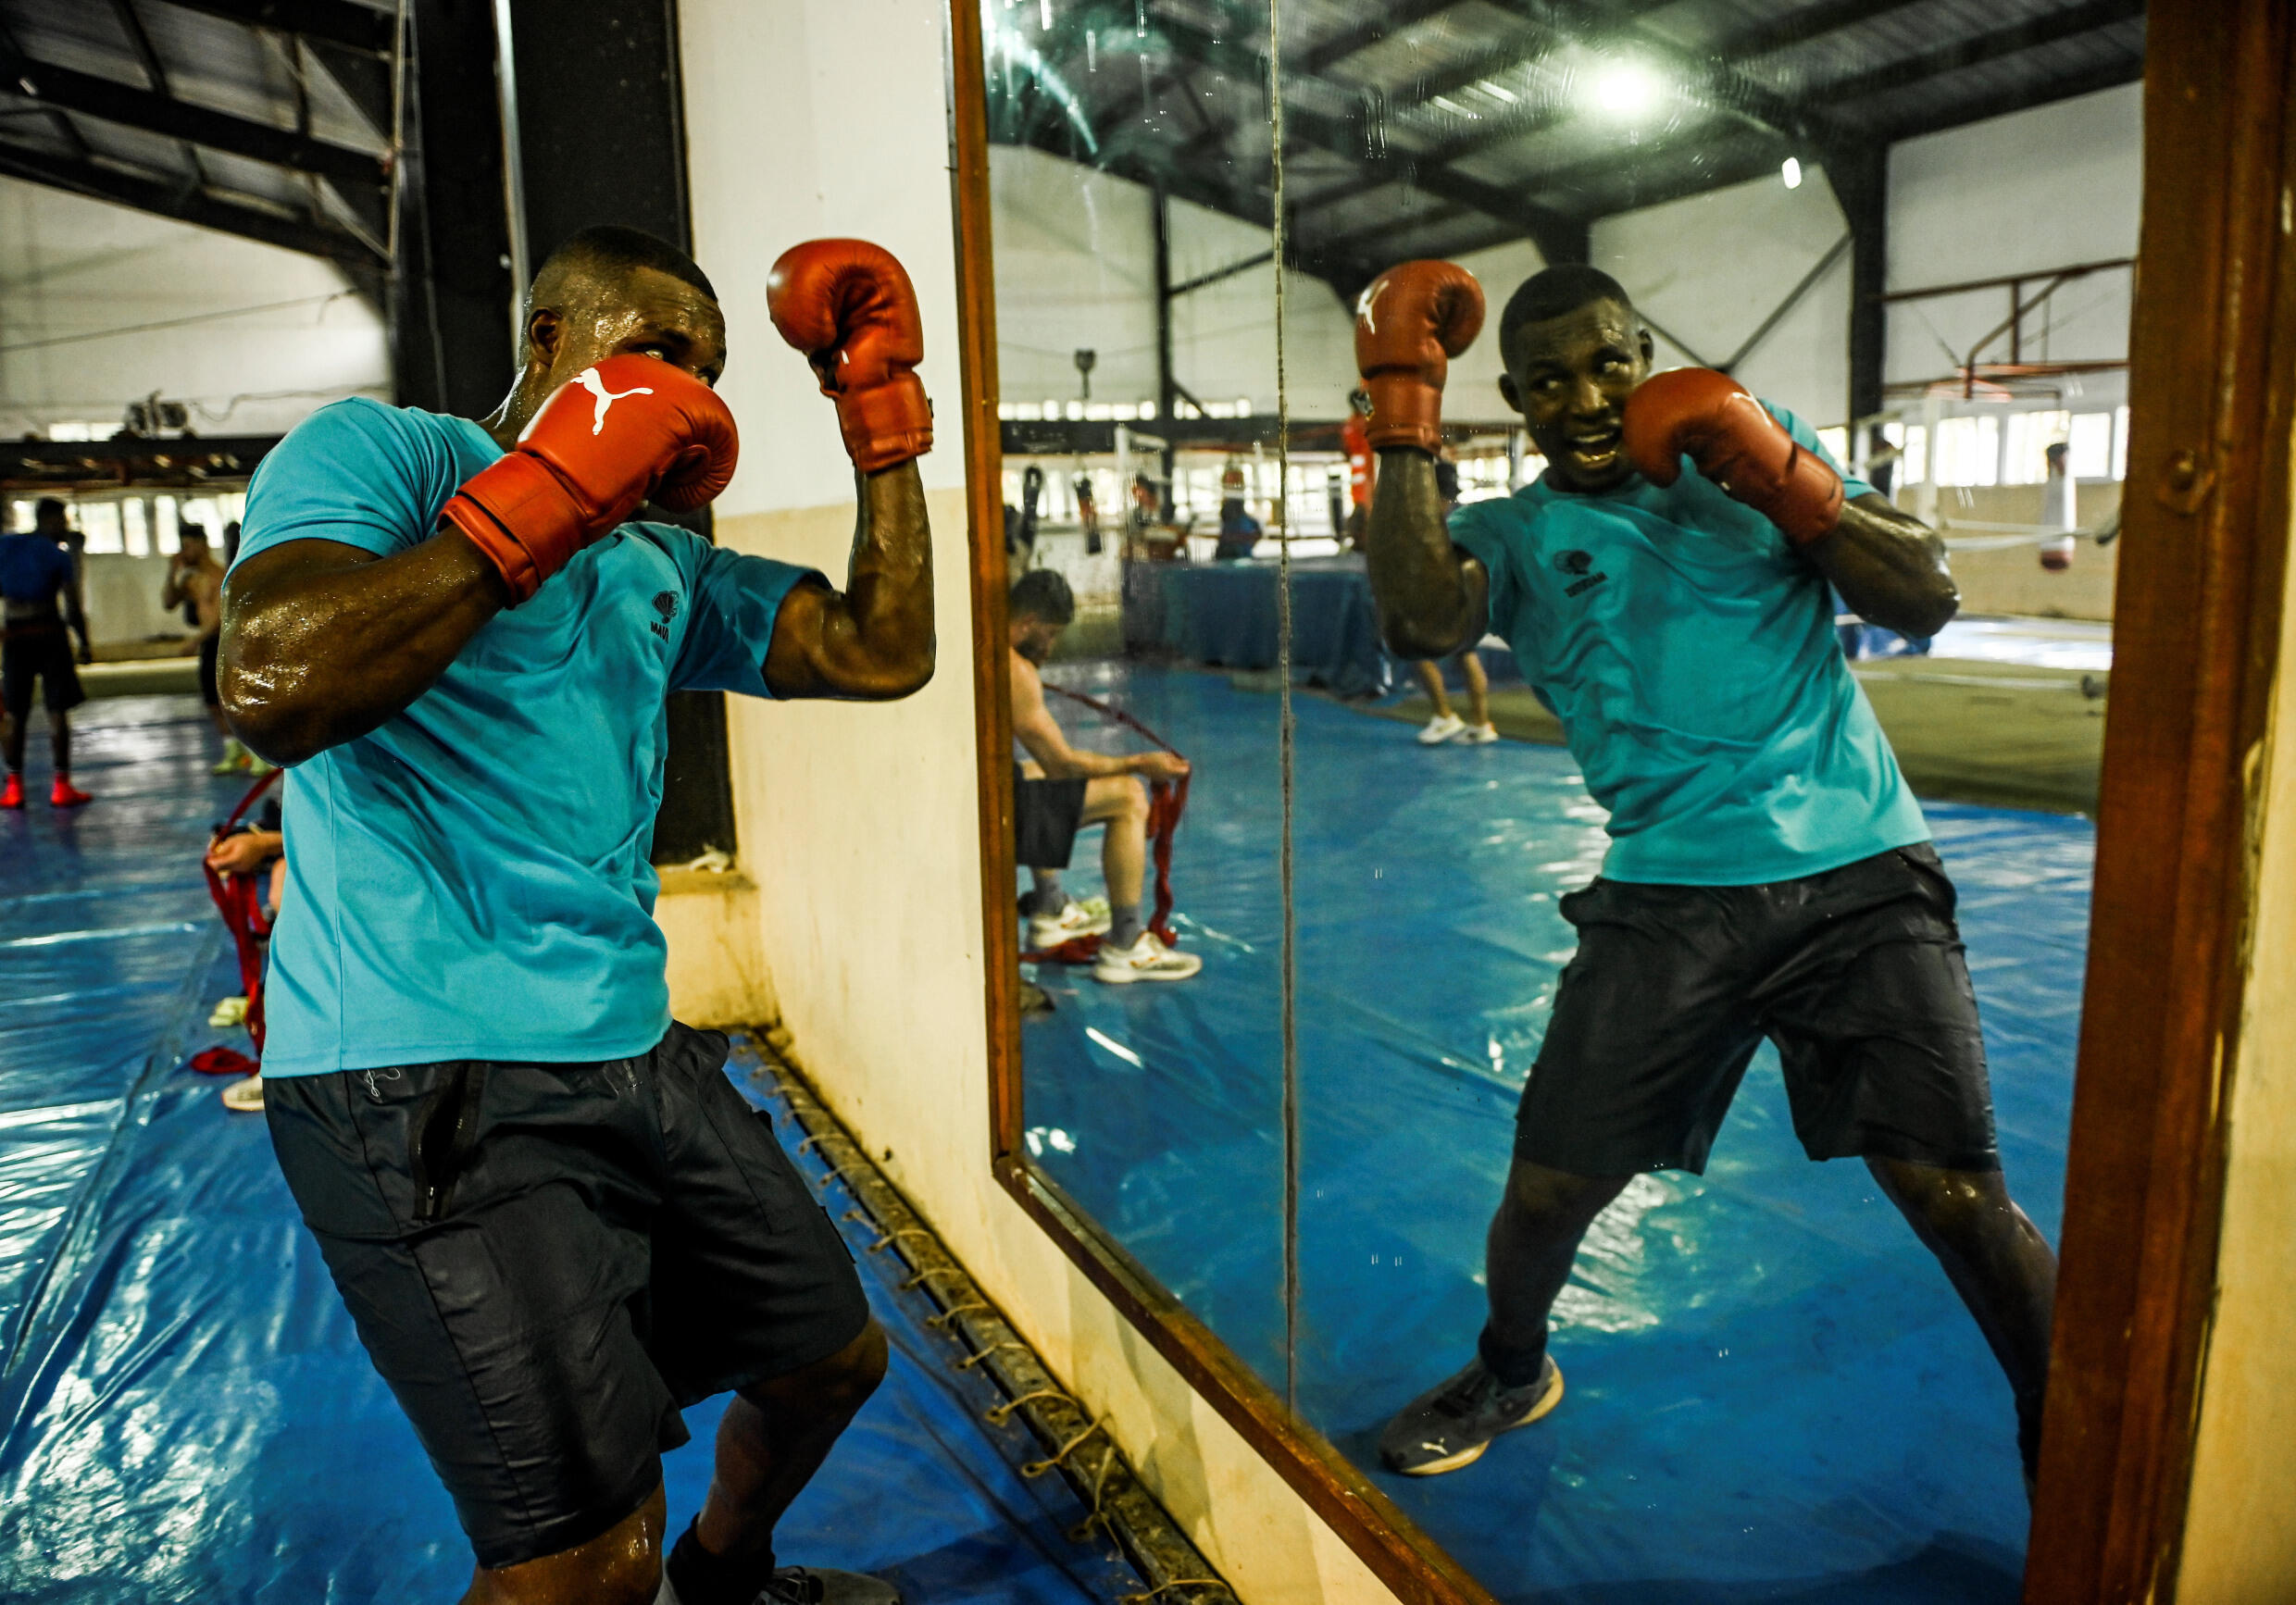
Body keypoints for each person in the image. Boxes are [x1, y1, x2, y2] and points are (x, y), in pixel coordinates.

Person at [218, 225, 936, 1605]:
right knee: (585, 1564)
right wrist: (534, 504)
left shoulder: (654, 567)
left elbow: (877, 647)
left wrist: (882, 422)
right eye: (656, 356)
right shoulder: (392, 458)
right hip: (417, 1074)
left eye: (712, 375)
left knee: (828, 1360)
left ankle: (725, 1574)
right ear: (550, 342)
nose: (688, 396)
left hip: (634, 1047)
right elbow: (269, 677)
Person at [1359, 260, 2056, 1492]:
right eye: (1550, 380)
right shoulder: (1517, 533)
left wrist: (1785, 476)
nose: (1585, 396)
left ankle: (2074, 1431)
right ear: (1515, 401)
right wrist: (1404, 406)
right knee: (1547, 1192)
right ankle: (1511, 1365)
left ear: (1645, 355)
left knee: (1955, 1194)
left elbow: (1928, 594)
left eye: (1608, 362)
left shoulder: (1752, 446)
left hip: (1860, 872)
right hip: (1668, 890)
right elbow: (1421, 622)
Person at [1007, 569, 1200, 984]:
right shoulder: (1015, 671)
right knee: (1129, 796)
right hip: (994, 814)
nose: (1052, 646)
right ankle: (1126, 944)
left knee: (1034, 770)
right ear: (1027, 624)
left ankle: (1050, 906)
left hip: (976, 792)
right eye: (1051, 634)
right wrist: (1138, 764)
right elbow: (1064, 765)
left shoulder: (980, 640)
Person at [1, 497, 94, 809]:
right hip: (49, 633)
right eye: (63, 521)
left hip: (15, 634)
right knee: (57, 712)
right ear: (51, 520)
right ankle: (61, 787)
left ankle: (14, 787)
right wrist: (84, 642)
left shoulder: (7, 546)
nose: (66, 527)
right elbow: (72, 605)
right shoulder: (57, 555)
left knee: (14, 713)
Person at [1410, 454, 1498, 745]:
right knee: (1466, 654)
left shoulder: (1437, 521)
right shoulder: (1464, 515)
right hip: (1471, 598)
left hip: (1450, 596)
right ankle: (1481, 724)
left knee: (1416, 650)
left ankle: (1444, 716)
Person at [163, 522, 262, 774]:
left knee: (233, 701)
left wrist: (194, 641)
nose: (184, 552)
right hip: (208, 645)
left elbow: (220, 617)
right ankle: (233, 750)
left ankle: (258, 754)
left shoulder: (219, 577)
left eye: (187, 546)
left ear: (201, 544)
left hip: (223, 642)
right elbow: (168, 602)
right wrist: (170, 571)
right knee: (212, 704)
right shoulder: (192, 579)